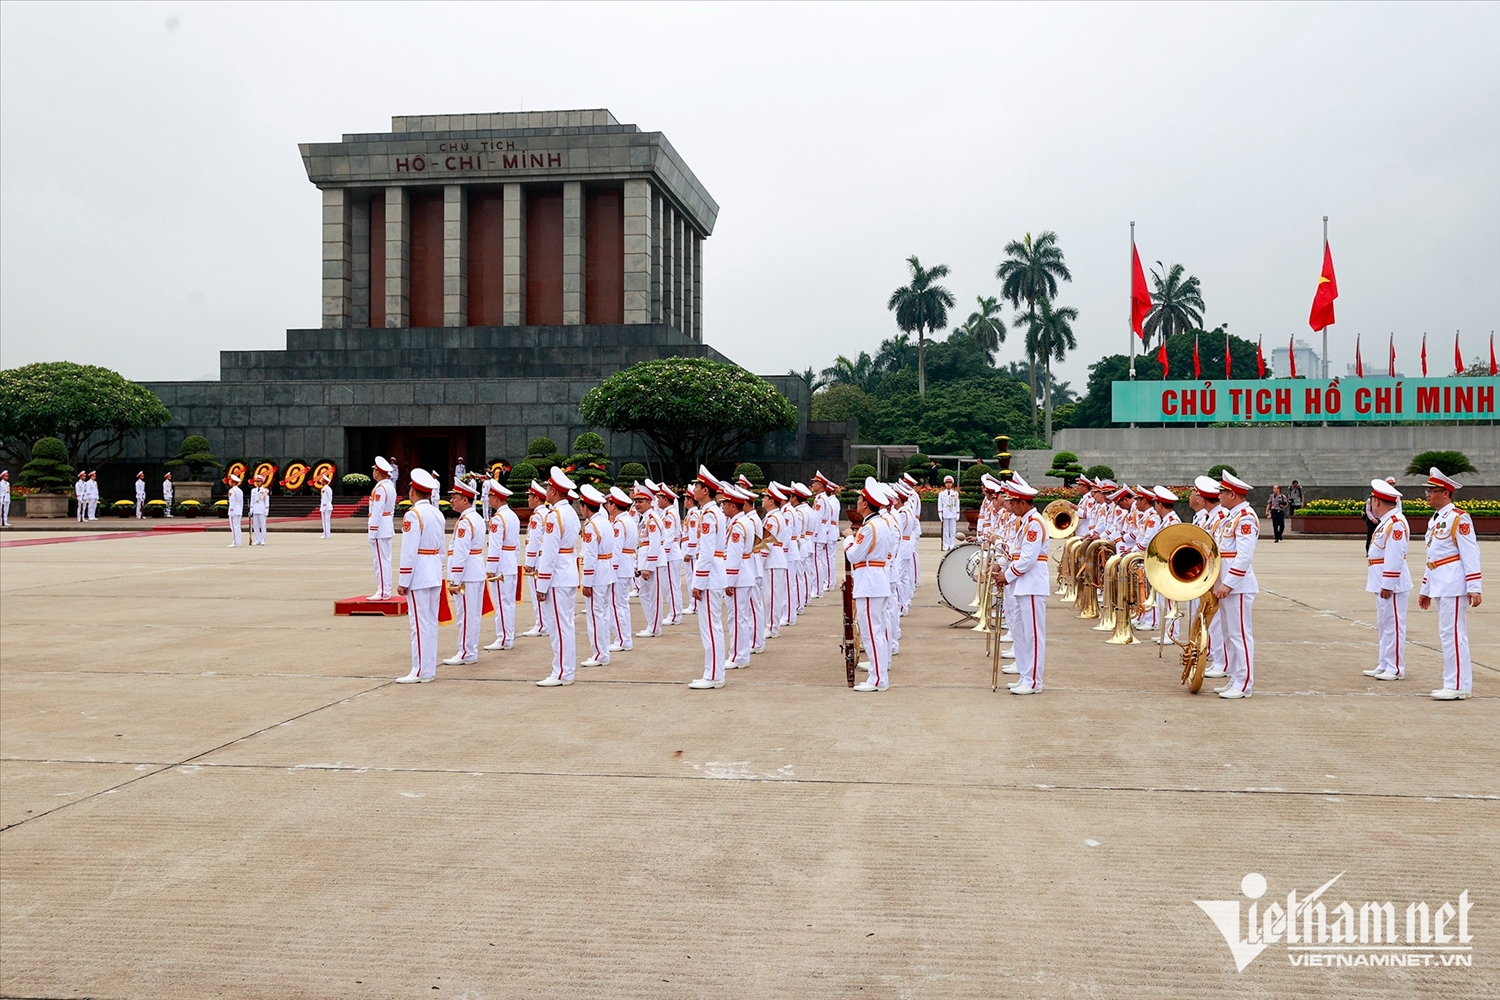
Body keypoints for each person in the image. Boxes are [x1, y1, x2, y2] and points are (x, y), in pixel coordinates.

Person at [1417, 467, 1482, 700]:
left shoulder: (1458, 517)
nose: (1427, 493)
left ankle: (1457, 685)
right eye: (1427, 489)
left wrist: (1474, 585)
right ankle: (1455, 682)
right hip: (1440, 581)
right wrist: (1425, 589)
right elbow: (1432, 557)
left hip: (1454, 582)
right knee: (1449, 633)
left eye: (1432, 490)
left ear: (1445, 493)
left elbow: (1470, 551)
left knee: (1453, 633)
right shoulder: (1436, 520)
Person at [998, 476, 1048, 694]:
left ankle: (1034, 681)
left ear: (1023, 503)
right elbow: (1017, 554)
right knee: (1019, 632)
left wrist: (1006, 576)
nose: (1011, 506)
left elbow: (1027, 559)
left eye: (1014, 502)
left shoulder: (1034, 524)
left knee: (1033, 635)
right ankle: (1025, 675)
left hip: (1032, 584)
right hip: (1022, 584)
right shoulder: (1026, 523)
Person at [843, 478, 895, 692]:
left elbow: (854, 555)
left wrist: (848, 539)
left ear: (865, 504)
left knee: (871, 632)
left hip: (870, 582)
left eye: (859, 499)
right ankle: (879, 675)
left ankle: (877, 678)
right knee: (878, 630)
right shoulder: (881, 524)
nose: (857, 502)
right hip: (877, 578)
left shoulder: (868, 528)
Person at [1212, 472, 1259, 700]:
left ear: (1232, 494)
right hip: (1227, 584)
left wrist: (1228, 583)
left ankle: (1244, 683)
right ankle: (1235, 678)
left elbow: (1244, 556)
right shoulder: (1232, 516)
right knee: (1229, 634)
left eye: (1222, 491)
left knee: (1240, 634)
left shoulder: (1245, 517)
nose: (1218, 495)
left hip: (1237, 586)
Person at [396, 469, 444, 683]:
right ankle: (428, 669)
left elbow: (409, 550)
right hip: (433, 569)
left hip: (419, 573)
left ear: (413, 492)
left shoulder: (413, 515)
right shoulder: (437, 513)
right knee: (430, 623)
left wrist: (403, 580)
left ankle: (419, 670)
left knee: (419, 624)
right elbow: (442, 548)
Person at [535, 467, 581, 687]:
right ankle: (565, 669)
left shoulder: (554, 515)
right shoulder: (570, 512)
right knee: (565, 625)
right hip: (567, 572)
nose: (546, 491)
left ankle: (562, 671)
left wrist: (541, 584)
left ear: (553, 491)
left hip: (557, 576)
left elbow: (549, 552)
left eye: (548, 488)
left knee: (558, 627)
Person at [1362, 478, 1411, 682]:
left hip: (1392, 583)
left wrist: (1388, 583)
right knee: (1384, 624)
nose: (1371, 504)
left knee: (1394, 625)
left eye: (1373, 500)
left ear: (1378, 502)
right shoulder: (1387, 522)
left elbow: (1395, 555)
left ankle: (1396, 667)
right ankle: (1384, 663)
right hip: (1380, 579)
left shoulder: (1396, 523)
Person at [687, 466, 728, 689]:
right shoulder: (711, 513)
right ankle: (712, 672)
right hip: (713, 572)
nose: (694, 489)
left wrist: (698, 582)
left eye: (697, 486)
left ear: (705, 490)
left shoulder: (710, 515)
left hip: (710, 575)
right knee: (712, 626)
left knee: (711, 627)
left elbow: (707, 551)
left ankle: (714, 674)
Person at [443, 480, 486, 666]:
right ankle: (469, 649)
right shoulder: (475, 518)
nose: (451, 500)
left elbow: (461, 553)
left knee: (466, 615)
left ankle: (466, 652)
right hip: (474, 571)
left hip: (467, 574)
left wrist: (455, 579)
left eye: (455, 497)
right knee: (472, 615)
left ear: (465, 500)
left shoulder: (465, 522)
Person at [578, 483, 617, 668]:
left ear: (586, 506)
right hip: (607, 569)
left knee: (595, 615)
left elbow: (591, 555)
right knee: (602, 613)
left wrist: (586, 581)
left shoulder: (592, 525)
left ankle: (599, 653)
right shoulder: (606, 521)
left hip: (598, 573)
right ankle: (603, 651)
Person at [721, 484, 757, 670]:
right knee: (740, 617)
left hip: (739, 576)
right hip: (744, 573)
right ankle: (740, 654)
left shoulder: (737, 526)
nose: (722, 507)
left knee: (736, 618)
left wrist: (729, 581)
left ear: (732, 506)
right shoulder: (744, 522)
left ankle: (738, 656)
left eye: (725, 504)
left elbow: (734, 557)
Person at [483, 480, 520, 652]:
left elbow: (495, 546)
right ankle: (508, 635)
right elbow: (517, 544)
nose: (489, 499)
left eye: (490, 496)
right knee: (508, 602)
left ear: (496, 498)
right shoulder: (512, 515)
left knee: (501, 602)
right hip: (510, 560)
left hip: (501, 564)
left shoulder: (498, 519)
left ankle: (504, 637)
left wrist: (490, 569)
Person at [607, 486, 637, 654]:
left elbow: (616, 549)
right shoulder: (629, 520)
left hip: (619, 567)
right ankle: (625, 638)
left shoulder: (619, 524)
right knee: (622, 604)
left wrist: (611, 569)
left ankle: (622, 639)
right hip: (627, 564)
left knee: (616, 604)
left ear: (614, 505)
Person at [519, 480, 551, 638]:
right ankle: (545, 622)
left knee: (536, 593)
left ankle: (541, 624)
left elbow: (534, 541)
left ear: (536, 498)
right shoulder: (546, 513)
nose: (528, 499)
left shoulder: (537, 516)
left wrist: (529, 563)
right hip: (543, 556)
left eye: (530, 496)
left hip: (537, 558)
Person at [634, 482, 665, 639]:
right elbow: (641, 545)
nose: (637, 504)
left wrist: (648, 566)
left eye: (640, 501)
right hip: (645, 561)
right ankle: (651, 623)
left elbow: (654, 544)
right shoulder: (644, 519)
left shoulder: (652, 519)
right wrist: (638, 565)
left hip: (655, 563)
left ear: (649, 502)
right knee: (644, 594)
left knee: (655, 596)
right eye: (636, 501)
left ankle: (655, 627)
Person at [368, 457, 398, 599]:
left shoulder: (380, 488)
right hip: (386, 525)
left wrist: (372, 531)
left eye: (375, 470)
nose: (373, 472)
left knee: (380, 561)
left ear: (378, 472)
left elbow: (377, 511)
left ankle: (383, 591)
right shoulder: (390, 487)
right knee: (384, 560)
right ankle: (384, 590)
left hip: (380, 528)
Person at [937, 475, 960, 551]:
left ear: (952, 484)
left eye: (950, 483)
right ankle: (946, 545)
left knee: (952, 530)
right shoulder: (941, 494)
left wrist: (957, 513)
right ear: (945, 484)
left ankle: (952, 544)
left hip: (953, 513)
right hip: (945, 513)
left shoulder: (955, 493)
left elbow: (957, 504)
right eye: (947, 483)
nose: (948, 484)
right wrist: (940, 513)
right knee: (946, 530)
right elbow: (940, 504)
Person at [249, 474, 270, 545]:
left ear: (262, 482)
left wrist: (266, 510)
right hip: (255, 509)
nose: (257, 483)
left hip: (262, 509)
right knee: (255, 525)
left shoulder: (265, 490)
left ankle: (263, 540)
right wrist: (251, 509)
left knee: (263, 525)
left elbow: (267, 501)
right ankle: (257, 539)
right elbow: (252, 500)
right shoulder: (253, 490)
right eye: (256, 481)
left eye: (259, 481)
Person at [226, 473, 245, 547]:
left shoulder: (231, 491)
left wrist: (231, 511)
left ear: (233, 482)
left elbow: (232, 501)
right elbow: (241, 502)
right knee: (238, 526)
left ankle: (235, 542)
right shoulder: (240, 491)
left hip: (233, 510)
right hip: (239, 509)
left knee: (234, 527)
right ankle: (238, 541)